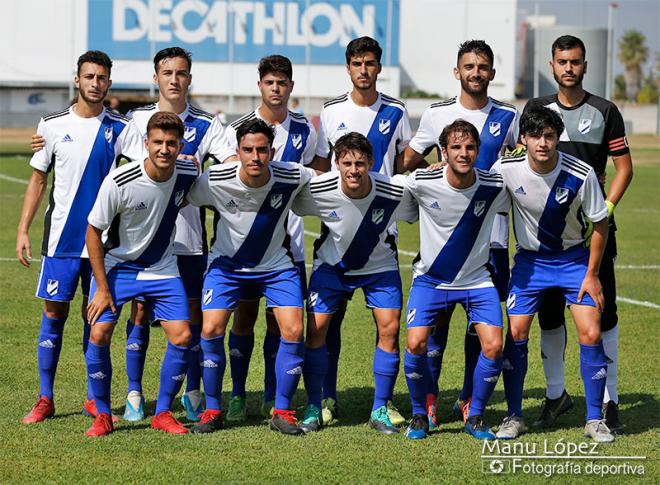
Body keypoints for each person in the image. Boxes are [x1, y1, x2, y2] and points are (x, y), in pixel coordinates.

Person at [18, 50, 143, 425]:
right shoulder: (52, 125)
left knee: (97, 319)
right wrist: (23, 229)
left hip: (103, 245)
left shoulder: (122, 128)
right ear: (77, 80)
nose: (95, 83)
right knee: (54, 314)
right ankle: (45, 398)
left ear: (109, 82)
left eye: (102, 77)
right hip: (60, 241)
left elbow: (147, 172)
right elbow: (38, 180)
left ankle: (94, 398)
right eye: (89, 76)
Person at [403, 40, 519, 427]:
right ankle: (430, 398)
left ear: (491, 73)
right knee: (436, 326)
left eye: (482, 67)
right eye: (468, 66)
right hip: (443, 238)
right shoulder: (437, 114)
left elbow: (519, 163)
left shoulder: (508, 115)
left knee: (481, 326)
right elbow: (411, 157)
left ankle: (470, 399)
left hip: (492, 237)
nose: (475, 73)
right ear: (457, 72)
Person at [523, 35, 633, 432]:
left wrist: (606, 210)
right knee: (549, 315)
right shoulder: (536, 110)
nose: (569, 68)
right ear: (552, 65)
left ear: (584, 66)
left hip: (594, 233)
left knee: (603, 313)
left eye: (576, 61)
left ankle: (609, 400)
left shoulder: (605, 110)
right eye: (562, 61)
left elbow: (624, 168)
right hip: (546, 237)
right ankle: (557, 396)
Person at [185, 119, 316, 435]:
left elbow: (332, 180)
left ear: (271, 151)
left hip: (276, 267)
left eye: (261, 150)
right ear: (237, 152)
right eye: (248, 150)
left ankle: (282, 410)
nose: (255, 157)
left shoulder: (292, 174)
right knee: (212, 327)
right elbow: (181, 193)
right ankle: (213, 410)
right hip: (227, 267)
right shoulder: (215, 179)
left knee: (294, 329)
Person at [494, 106, 613, 443]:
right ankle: (514, 416)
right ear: (523, 139)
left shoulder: (581, 172)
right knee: (516, 332)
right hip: (530, 263)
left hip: (574, 261)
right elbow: (477, 190)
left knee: (590, 333)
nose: (543, 143)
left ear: (558, 138)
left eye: (549, 136)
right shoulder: (506, 168)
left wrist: (592, 274)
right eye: (535, 136)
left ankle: (594, 420)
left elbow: (601, 224)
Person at [309, 35, 412, 426]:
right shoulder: (332, 110)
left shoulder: (397, 111)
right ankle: (325, 398)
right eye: (357, 63)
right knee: (325, 323)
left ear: (379, 67)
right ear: (348, 67)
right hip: (337, 232)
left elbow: (400, 168)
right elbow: (321, 167)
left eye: (370, 63)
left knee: (387, 325)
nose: (364, 70)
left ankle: (381, 407)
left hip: (381, 232)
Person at [291, 132, 418, 434]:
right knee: (316, 331)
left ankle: (380, 407)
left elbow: (414, 209)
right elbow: (295, 203)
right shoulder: (319, 188)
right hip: (331, 268)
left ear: (371, 163)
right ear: (336, 163)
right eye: (346, 163)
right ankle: (314, 404)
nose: (353, 170)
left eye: (360, 163)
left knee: (390, 328)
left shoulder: (391, 190)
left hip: (380, 268)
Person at [84, 112, 199, 436]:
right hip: (118, 268)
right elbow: (93, 232)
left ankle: (163, 412)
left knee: (182, 336)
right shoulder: (120, 181)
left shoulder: (188, 171)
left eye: (171, 143)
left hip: (162, 268)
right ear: (146, 143)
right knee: (99, 334)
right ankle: (103, 415)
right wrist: (103, 289)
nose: (164, 149)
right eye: (158, 142)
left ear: (180, 146)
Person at [222, 55, 317, 422]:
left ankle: (272, 396)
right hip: (246, 245)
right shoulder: (243, 128)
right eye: (269, 83)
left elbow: (315, 173)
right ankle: (237, 395)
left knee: (282, 324)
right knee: (243, 319)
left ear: (291, 86)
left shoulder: (305, 129)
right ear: (260, 86)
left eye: (282, 82)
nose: (276, 89)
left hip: (289, 245)